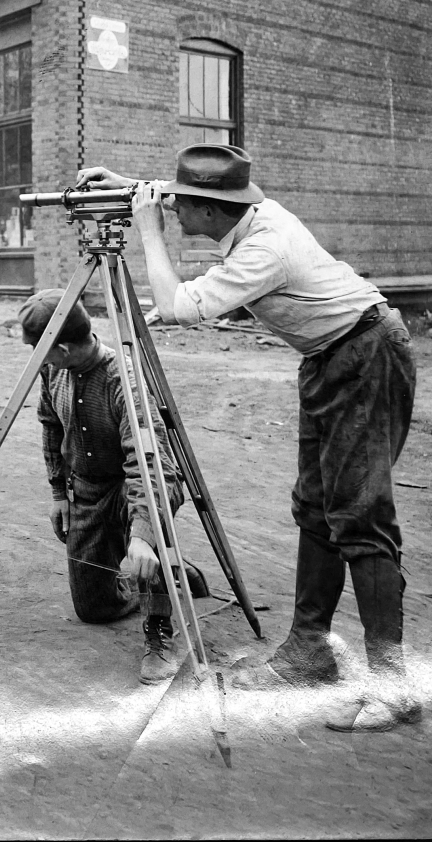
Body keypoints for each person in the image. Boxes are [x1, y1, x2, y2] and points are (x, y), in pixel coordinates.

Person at [77, 143, 419, 732]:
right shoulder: (242, 215)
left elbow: (178, 307)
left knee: (360, 517)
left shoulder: (264, 249)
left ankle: (393, 686)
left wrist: (148, 235)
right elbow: (190, 195)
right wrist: (127, 184)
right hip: (329, 357)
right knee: (316, 509)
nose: (174, 210)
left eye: (182, 205)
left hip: (364, 357)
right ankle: (310, 649)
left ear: (211, 211)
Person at [20, 289, 189, 685]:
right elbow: (51, 426)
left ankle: (160, 625)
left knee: (149, 535)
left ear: (61, 348)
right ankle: (178, 573)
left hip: (138, 485)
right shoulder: (52, 370)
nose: (34, 359)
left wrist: (145, 533)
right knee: (93, 607)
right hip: (87, 488)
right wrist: (60, 493)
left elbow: (152, 466)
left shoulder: (124, 380)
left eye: (38, 350)